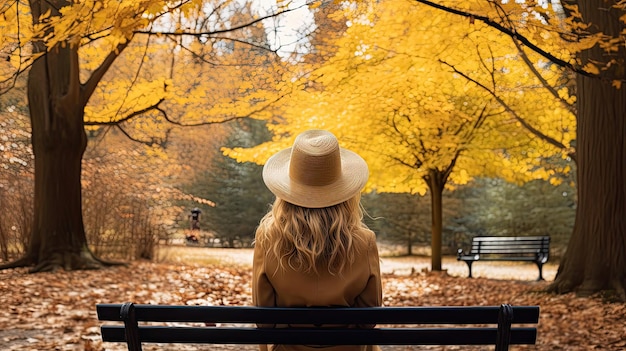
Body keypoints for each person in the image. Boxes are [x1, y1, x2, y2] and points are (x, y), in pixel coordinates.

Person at [253, 130, 382, 351]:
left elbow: (264, 320)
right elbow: (368, 319)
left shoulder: (268, 238)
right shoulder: (364, 241)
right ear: (344, 192)